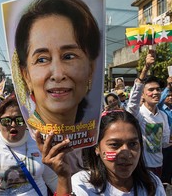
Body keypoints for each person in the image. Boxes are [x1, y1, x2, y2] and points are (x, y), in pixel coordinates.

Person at [11, 0, 101, 174]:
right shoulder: (18, 140)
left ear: (91, 67)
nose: (58, 74)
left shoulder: (102, 137)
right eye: (42, 59)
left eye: (69, 56)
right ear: (25, 74)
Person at [36, 110, 166, 195]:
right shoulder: (82, 184)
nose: (126, 153)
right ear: (97, 148)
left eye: (133, 144)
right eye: (115, 145)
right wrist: (63, 178)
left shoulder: (152, 183)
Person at [126, 50, 170, 178]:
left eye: (158, 89)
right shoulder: (138, 115)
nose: (155, 92)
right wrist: (146, 68)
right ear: (143, 95)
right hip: (141, 167)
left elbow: (165, 143)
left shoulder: (163, 116)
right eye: (151, 90)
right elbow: (132, 103)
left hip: (159, 165)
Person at [158, 76, 172, 184]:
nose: (170, 98)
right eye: (168, 96)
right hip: (165, 145)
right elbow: (159, 101)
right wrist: (168, 86)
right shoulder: (160, 109)